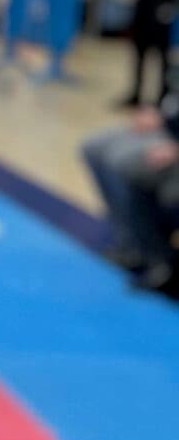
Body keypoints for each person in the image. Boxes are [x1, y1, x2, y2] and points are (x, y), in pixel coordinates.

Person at [81, 89, 179, 297]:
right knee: (94, 147)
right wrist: (156, 112)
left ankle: (160, 258)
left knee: (129, 165)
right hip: (168, 128)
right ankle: (131, 243)